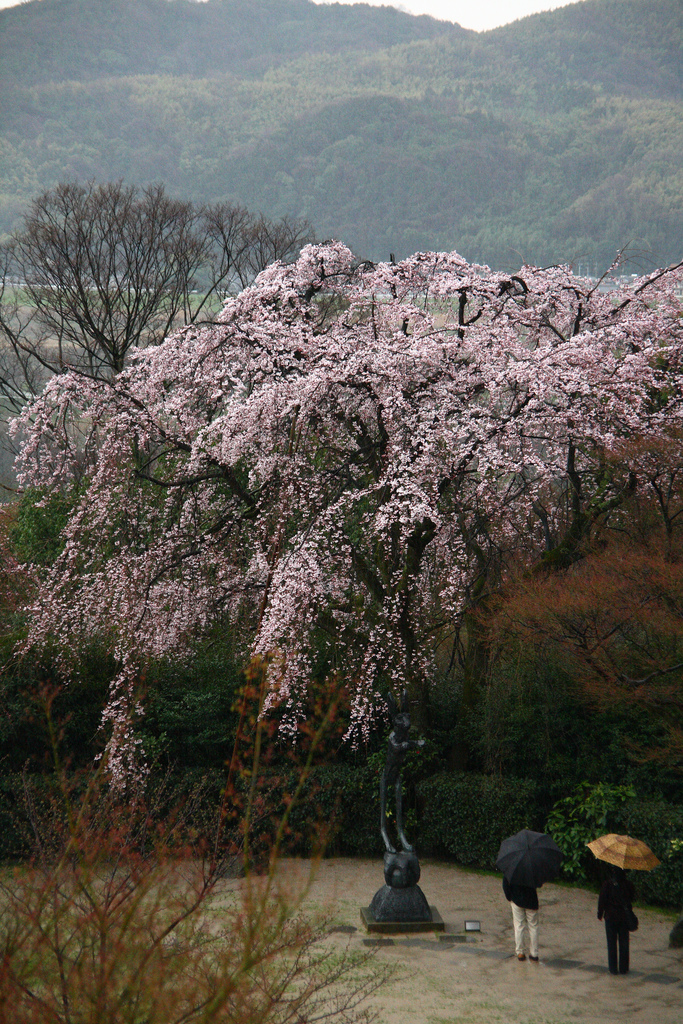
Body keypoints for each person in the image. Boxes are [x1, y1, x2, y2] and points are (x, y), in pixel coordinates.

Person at [597, 867, 635, 975]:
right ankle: (624, 968)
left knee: (611, 943)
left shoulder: (607, 884)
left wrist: (600, 914)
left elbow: (602, 900)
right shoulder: (628, 885)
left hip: (610, 917)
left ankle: (613, 969)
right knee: (624, 943)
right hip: (624, 918)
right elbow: (631, 898)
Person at [503, 877, 539, 961]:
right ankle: (534, 953)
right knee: (533, 926)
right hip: (531, 900)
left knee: (519, 926)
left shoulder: (511, 867)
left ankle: (520, 952)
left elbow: (505, 884)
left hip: (516, 899)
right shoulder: (533, 868)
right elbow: (538, 883)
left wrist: (509, 897)